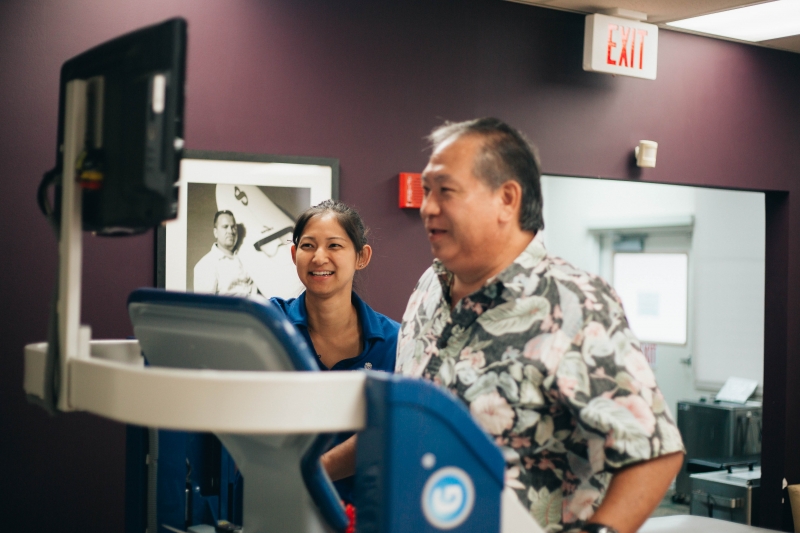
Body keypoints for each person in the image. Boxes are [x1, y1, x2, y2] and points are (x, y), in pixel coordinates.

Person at [396, 118, 684, 533]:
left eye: (445, 190)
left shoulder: (575, 303)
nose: (427, 207)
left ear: (507, 199)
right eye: (426, 191)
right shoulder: (430, 286)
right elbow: (407, 420)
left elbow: (655, 453)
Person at [270, 199, 399, 504]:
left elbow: (392, 432)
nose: (319, 257)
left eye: (335, 246)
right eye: (308, 246)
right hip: (274, 506)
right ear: (293, 254)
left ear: (361, 257)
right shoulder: (268, 326)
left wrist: (308, 471)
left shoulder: (395, 341)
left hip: (362, 513)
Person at [193, 210, 257, 296]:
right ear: (215, 232)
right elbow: (205, 306)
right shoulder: (205, 265)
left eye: (233, 227)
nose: (230, 231)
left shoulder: (246, 258)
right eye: (225, 227)